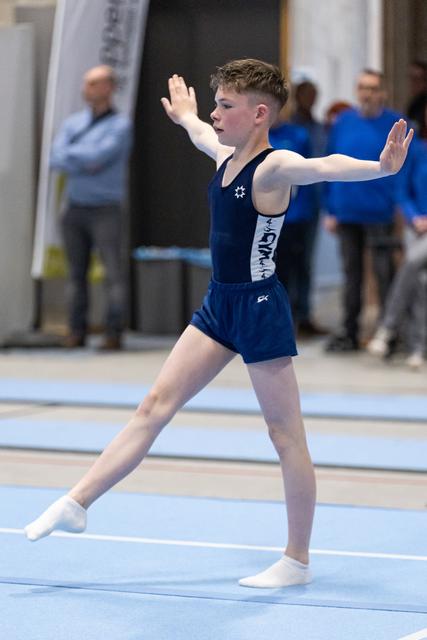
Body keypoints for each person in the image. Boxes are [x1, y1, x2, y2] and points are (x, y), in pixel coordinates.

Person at [24, 59, 412, 588]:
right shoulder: (227, 154)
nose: (215, 113)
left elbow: (324, 165)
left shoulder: (274, 167)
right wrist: (186, 115)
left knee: (285, 437)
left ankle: (296, 559)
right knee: (153, 405)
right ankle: (77, 501)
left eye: (225, 105)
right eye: (215, 103)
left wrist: (381, 169)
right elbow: (202, 132)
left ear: (258, 114)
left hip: (258, 308)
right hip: (219, 303)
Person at [50, 65, 132, 351]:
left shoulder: (121, 125)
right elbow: (55, 157)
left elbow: (100, 156)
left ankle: (113, 333)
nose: (87, 89)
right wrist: (84, 159)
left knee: (113, 273)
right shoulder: (73, 123)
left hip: (105, 209)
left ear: (108, 87)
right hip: (74, 208)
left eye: (94, 83)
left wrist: (77, 156)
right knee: (75, 274)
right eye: (86, 83)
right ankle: (76, 331)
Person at [323, 70, 406, 352]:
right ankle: (349, 331)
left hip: (379, 212)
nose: (367, 93)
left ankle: (389, 333)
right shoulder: (344, 122)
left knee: (384, 274)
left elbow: (402, 169)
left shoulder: (393, 123)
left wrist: (398, 207)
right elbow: (329, 162)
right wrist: (330, 209)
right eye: (362, 87)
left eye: (372, 88)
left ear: (382, 92)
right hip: (346, 211)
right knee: (351, 275)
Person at [367, 107, 427, 369]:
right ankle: (418, 349)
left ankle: (387, 328)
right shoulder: (417, 150)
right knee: (423, 282)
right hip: (418, 228)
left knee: (412, 261)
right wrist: (415, 218)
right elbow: (402, 191)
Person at [269, 120, 323, 337]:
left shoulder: (298, 135)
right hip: (270, 219)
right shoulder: (254, 138)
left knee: (301, 267)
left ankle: (303, 316)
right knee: (276, 271)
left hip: (298, 216)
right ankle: (279, 319)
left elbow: (314, 169)